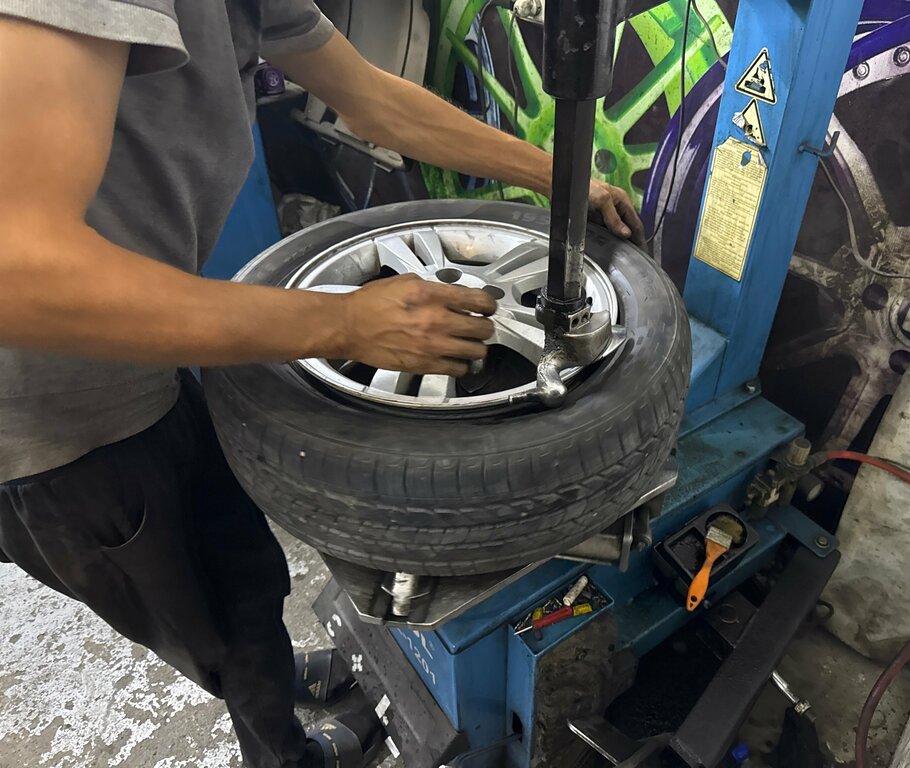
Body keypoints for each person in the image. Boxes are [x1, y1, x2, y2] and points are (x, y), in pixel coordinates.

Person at [0, 3, 645, 767]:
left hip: (143, 359)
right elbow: (21, 272)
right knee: (209, 624)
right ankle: (282, 745)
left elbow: (374, 99)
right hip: (50, 427)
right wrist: (340, 324)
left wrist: (560, 177)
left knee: (244, 575)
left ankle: (265, 671)